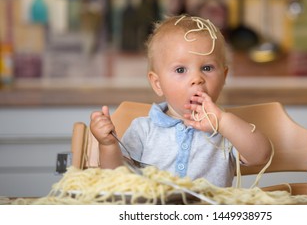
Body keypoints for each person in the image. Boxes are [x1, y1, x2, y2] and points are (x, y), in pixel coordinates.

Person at [90, 15, 271, 187]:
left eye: (207, 67)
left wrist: (223, 122)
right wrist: (108, 145)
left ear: (223, 77)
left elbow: (260, 156)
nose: (197, 78)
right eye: (180, 70)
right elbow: (116, 177)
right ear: (158, 83)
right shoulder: (143, 130)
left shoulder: (226, 130)